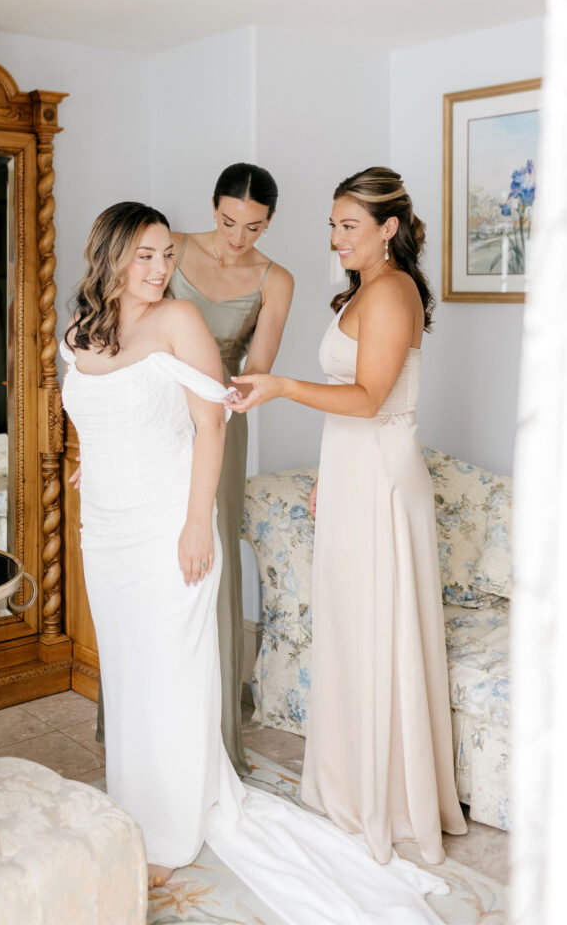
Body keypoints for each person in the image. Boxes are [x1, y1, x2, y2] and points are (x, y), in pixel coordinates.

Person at [61, 200, 450, 924]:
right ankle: (134, 799)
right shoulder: (81, 329)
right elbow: (102, 411)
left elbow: (209, 421)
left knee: (173, 669)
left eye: (165, 256)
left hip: (165, 519)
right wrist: (97, 460)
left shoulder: (178, 321)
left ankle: (173, 827)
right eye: (143, 256)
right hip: (103, 525)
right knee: (128, 665)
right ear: (109, 255)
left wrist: (194, 526)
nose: (158, 270)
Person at [227, 167, 468, 865]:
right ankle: (355, 782)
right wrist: (328, 477)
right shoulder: (368, 288)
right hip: (354, 474)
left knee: (375, 631)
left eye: (348, 225)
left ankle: (386, 798)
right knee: (352, 629)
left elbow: (368, 399)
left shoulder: (391, 291)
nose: (335, 238)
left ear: (387, 229)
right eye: (332, 223)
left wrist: (277, 387)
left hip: (382, 483)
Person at [94, 163, 294, 775]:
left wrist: (223, 394)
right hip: (152, 416)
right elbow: (120, 327)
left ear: (270, 223)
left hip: (218, 422)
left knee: (207, 560)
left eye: (254, 227)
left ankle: (209, 736)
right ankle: (139, 725)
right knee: (148, 568)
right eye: (229, 221)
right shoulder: (166, 249)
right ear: (213, 208)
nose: (238, 238)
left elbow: (255, 366)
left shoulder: (276, 279)